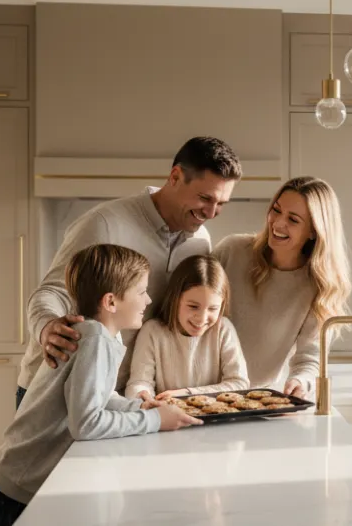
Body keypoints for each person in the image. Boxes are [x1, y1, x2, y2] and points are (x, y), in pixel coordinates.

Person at [0, 244, 201, 526]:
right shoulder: (95, 339)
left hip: (20, 486)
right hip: (16, 492)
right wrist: (154, 421)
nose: (149, 300)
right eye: (141, 291)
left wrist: (138, 406)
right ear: (111, 301)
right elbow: (85, 423)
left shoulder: (101, 335)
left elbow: (98, 396)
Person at [16, 136, 242, 408]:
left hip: (117, 394)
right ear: (175, 176)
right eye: (205, 198)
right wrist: (46, 328)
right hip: (58, 387)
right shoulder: (105, 224)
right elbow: (51, 292)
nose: (211, 212)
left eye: (221, 204)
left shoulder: (199, 240)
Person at [212, 176, 352, 398]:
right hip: (203, 391)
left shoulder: (317, 287)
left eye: (293, 220)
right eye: (276, 210)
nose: (277, 223)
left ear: (314, 231)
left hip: (256, 400)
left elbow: (309, 358)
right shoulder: (232, 251)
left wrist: (300, 381)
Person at [125, 255, 249, 401]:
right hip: (168, 418)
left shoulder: (223, 329)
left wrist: (188, 393)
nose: (202, 318)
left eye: (213, 308)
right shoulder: (152, 331)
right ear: (175, 298)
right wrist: (142, 397)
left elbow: (240, 383)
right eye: (193, 307)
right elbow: (139, 382)